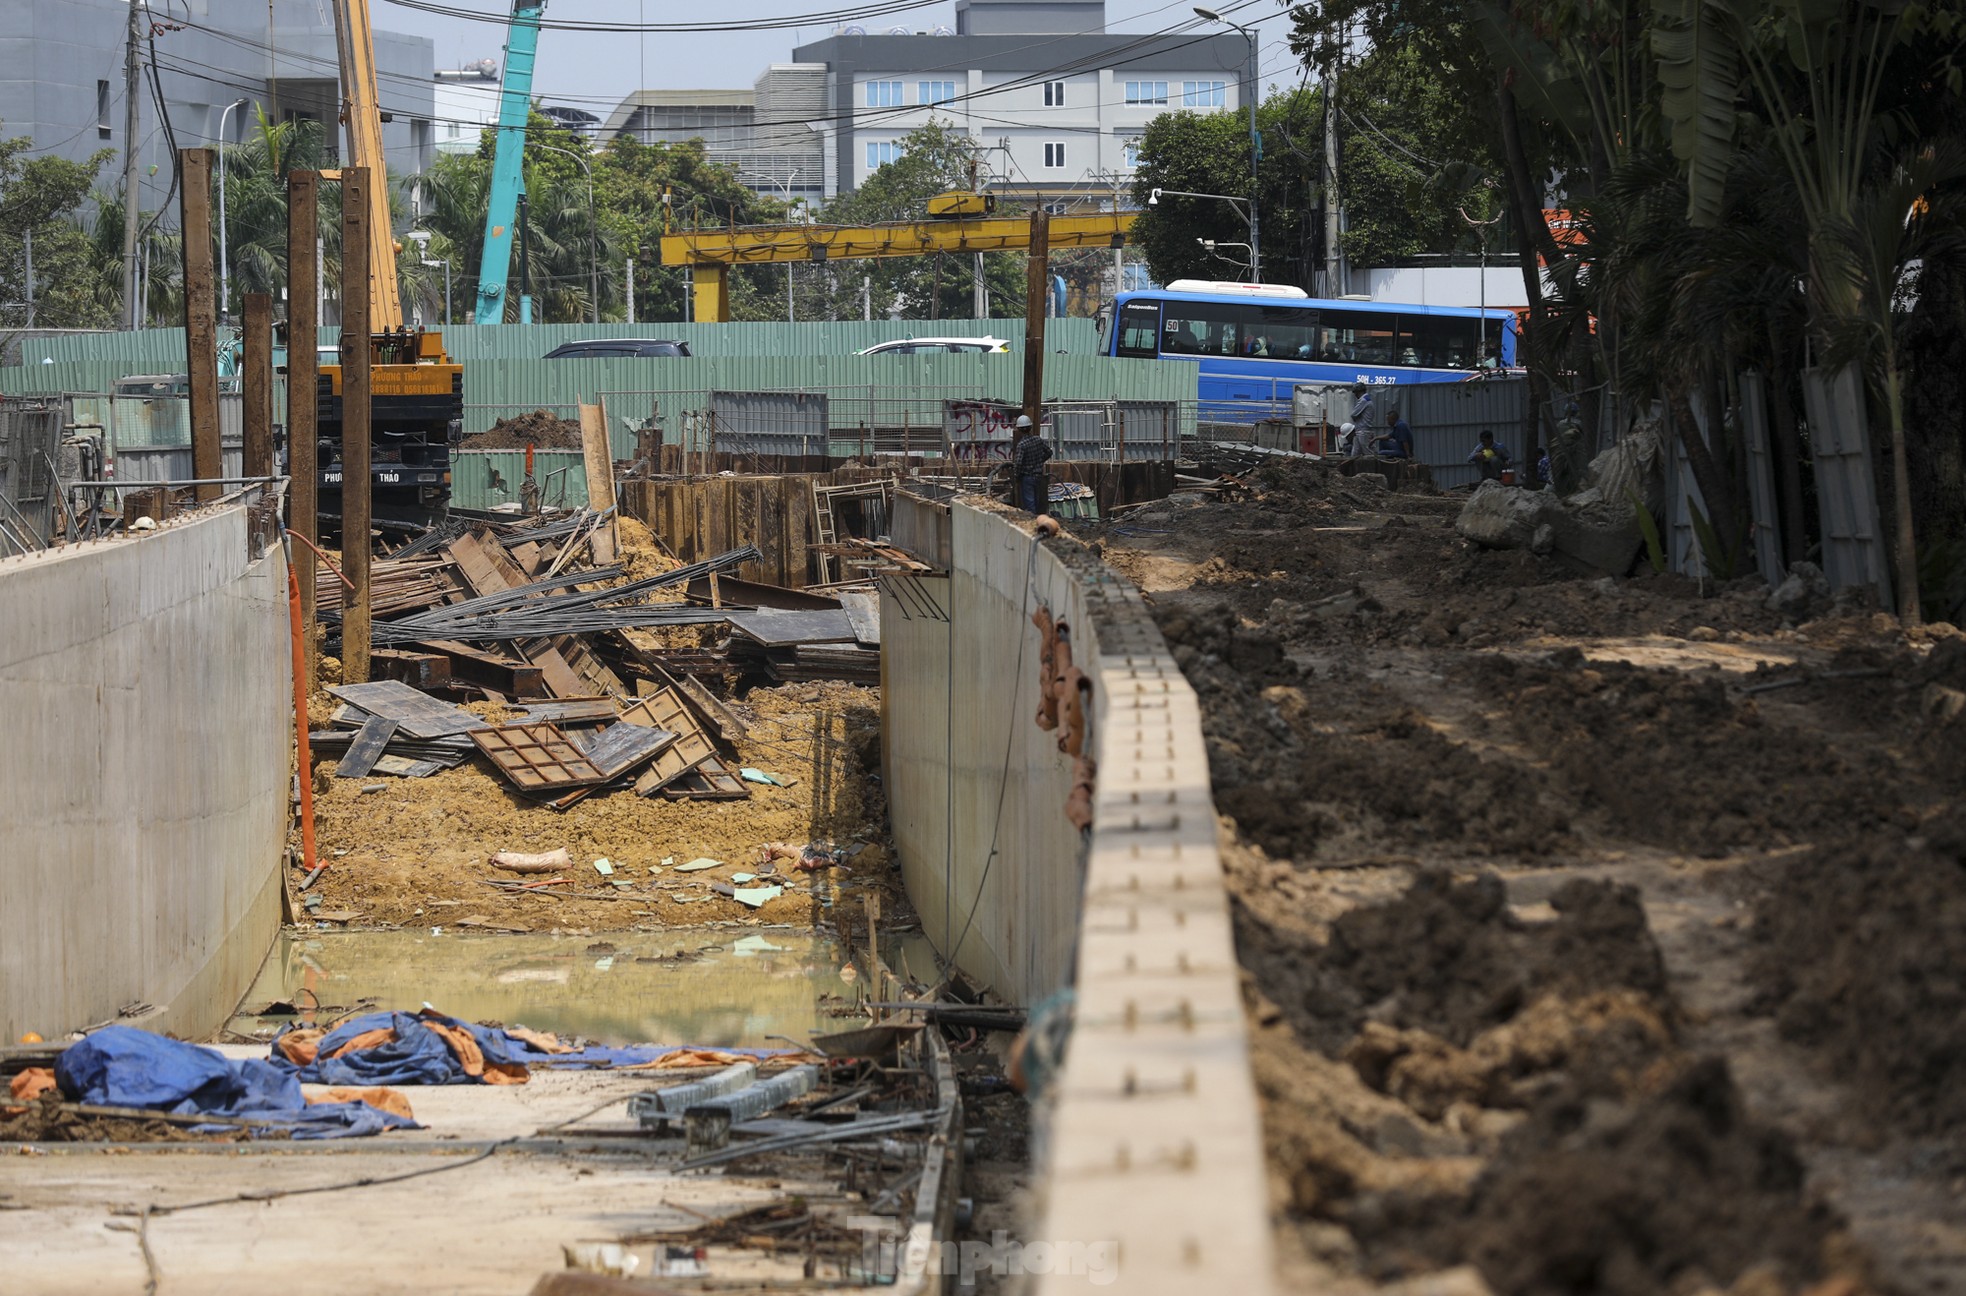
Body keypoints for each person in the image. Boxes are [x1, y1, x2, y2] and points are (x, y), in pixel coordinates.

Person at [1011, 414, 1052, 515]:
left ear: (1019, 429)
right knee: (1036, 502)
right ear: (1030, 427)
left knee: (1030, 505)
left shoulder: (1022, 445)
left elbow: (1018, 463)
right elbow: (1049, 452)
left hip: (1027, 478)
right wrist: (1039, 461)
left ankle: (1032, 524)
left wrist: (1016, 476)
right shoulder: (1038, 440)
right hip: (1038, 476)